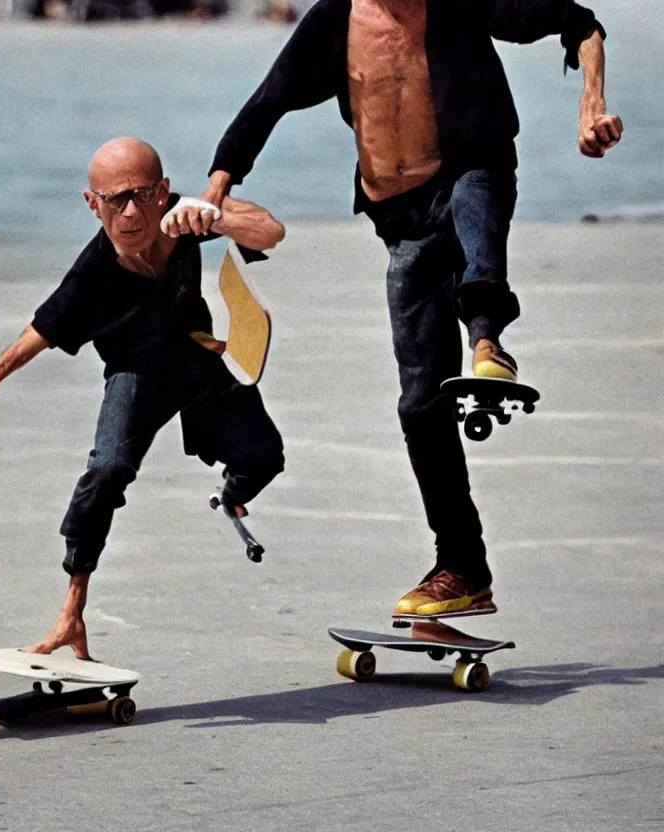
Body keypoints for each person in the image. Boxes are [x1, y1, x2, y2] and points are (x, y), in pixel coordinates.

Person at [200, 0, 623, 618]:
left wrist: (590, 104)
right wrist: (217, 187)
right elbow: (269, 102)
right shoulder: (335, 22)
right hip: (400, 221)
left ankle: (487, 342)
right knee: (419, 407)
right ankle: (463, 567)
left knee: (476, 213)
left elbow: (580, 22)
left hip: (469, 173)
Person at [0, 138, 286, 659]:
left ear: (162, 192)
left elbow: (271, 232)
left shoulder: (185, 218)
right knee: (105, 471)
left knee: (266, 457)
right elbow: (36, 333)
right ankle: (71, 613)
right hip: (137, 375)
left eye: (141, 196)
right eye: (114, 200)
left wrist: (213, 215)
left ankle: (234, 494)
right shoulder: (92, 275)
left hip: (198, 359)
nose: (130, 213)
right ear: (92, 204)